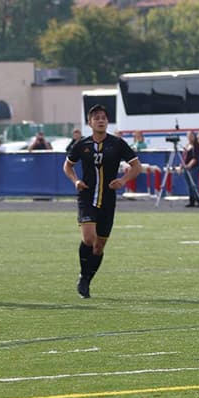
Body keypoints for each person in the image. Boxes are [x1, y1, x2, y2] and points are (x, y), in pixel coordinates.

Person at [63, 105, 143, 298]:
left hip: (108, 200)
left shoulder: (117, 144)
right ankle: (83, 276)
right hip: (87, 197)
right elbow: (67, 166)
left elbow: (136, 167)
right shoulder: (82, 144)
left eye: (104, 118)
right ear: (90, 123)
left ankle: (88, 279)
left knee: (99, 247)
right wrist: (76, 181)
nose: (101, 120)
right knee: (88, 239)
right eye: (97, 118)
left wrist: (123, 181)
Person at [182, 130, 199, 207]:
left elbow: (195, 158)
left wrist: (189, 166)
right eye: (188, 136)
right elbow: (184, 157)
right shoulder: (187, 145)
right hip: (186, 168)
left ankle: (198, 200)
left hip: (194, 167)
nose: (190, 137)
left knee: (193, 184)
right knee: (189, 185)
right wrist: (182, 166)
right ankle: (191, 201)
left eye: (191, 136)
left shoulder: (196, 145)